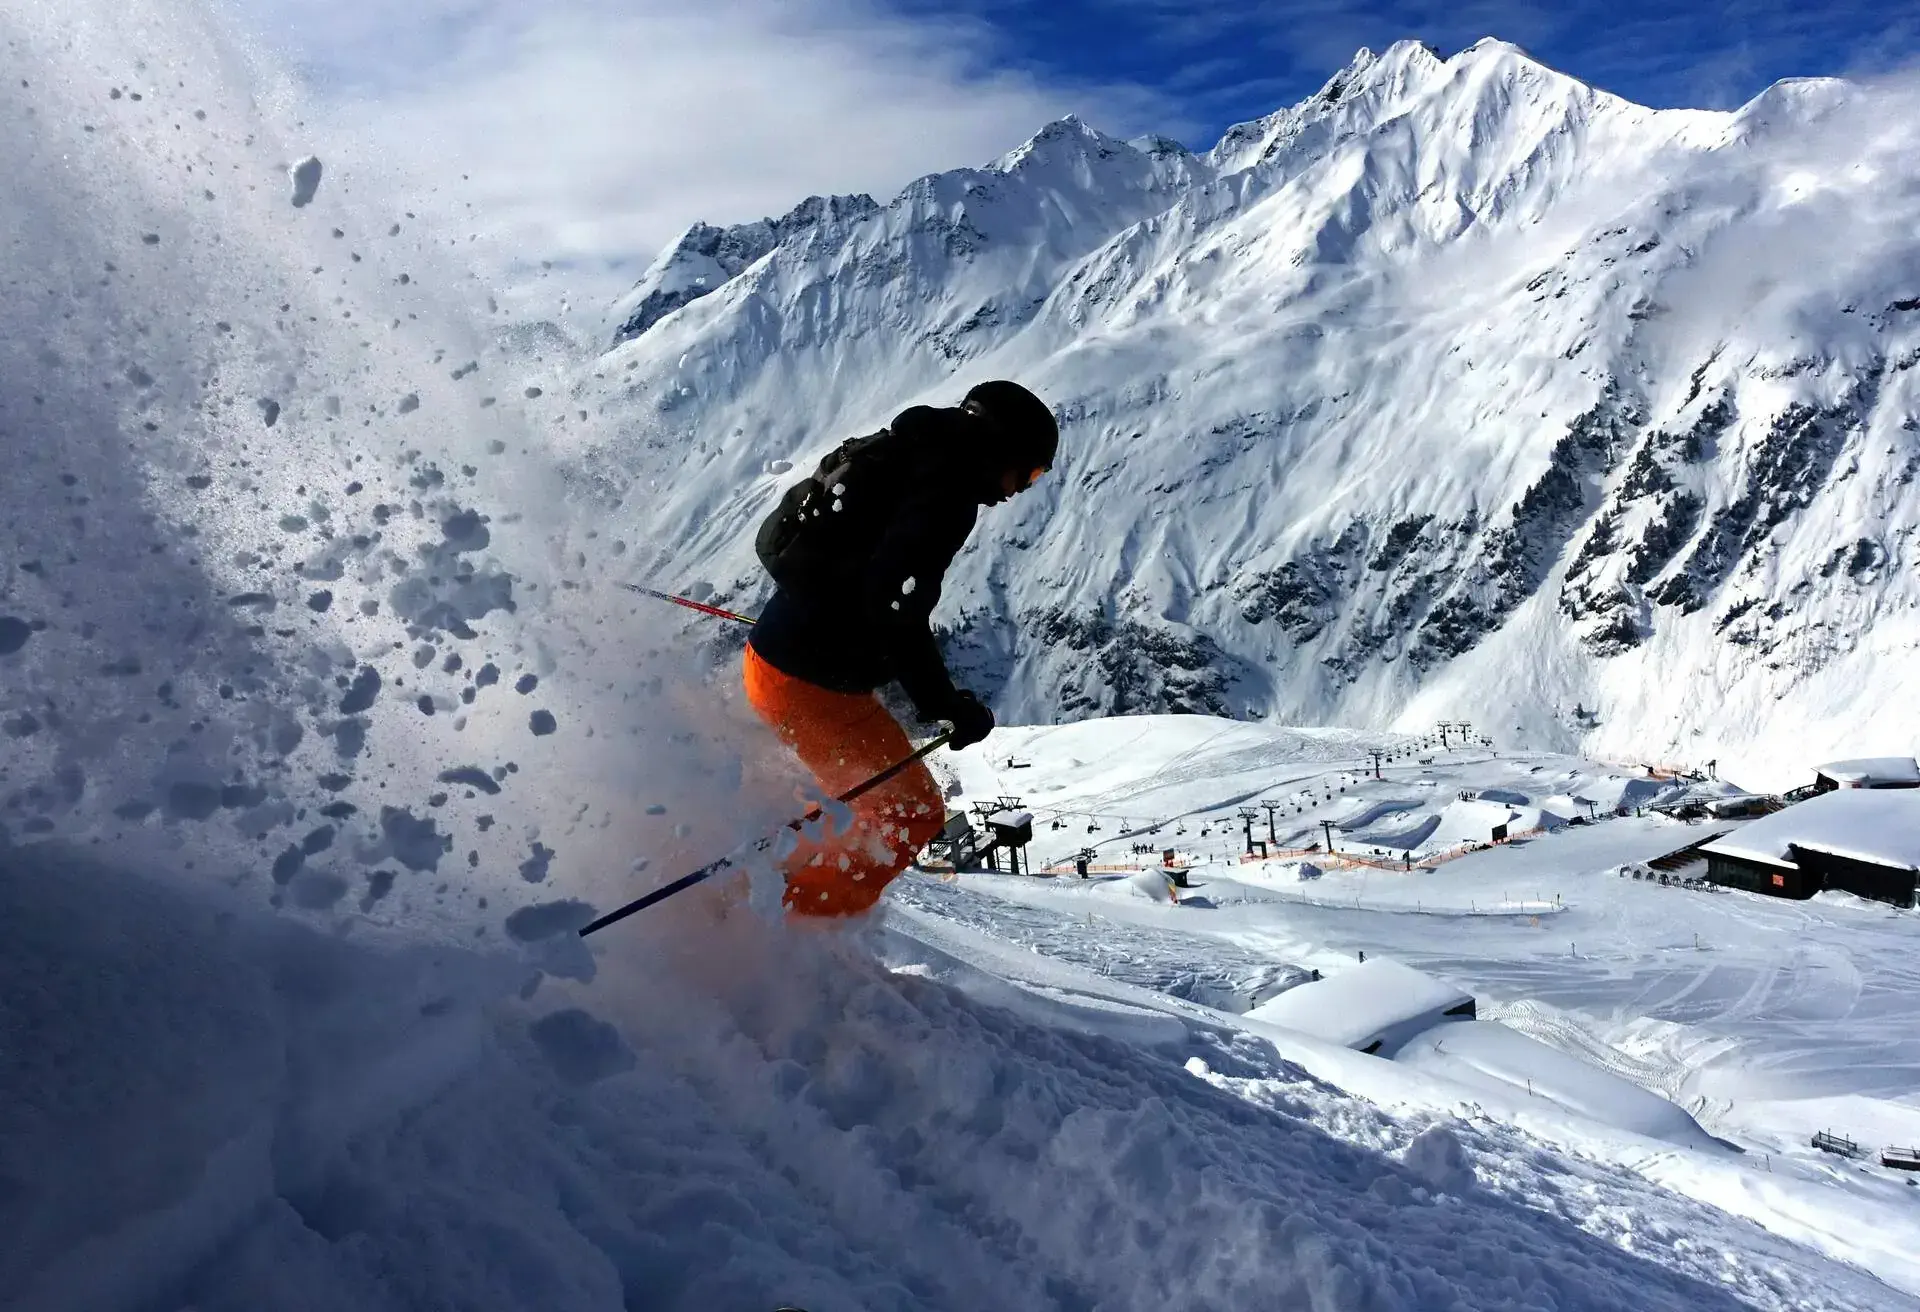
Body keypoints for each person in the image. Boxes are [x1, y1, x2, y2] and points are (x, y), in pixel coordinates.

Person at [744, 380, 1058, 917]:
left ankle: (764, 889)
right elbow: (898, 611)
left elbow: (832, 565)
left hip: (773, 659)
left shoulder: (903, 449)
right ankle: (791, 925)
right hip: (811, 688)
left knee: (837, 799)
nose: (1018, 491)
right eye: (1028, 473)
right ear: (999, 448)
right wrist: (947, 707)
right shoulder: (945, 494)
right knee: (911, 810)